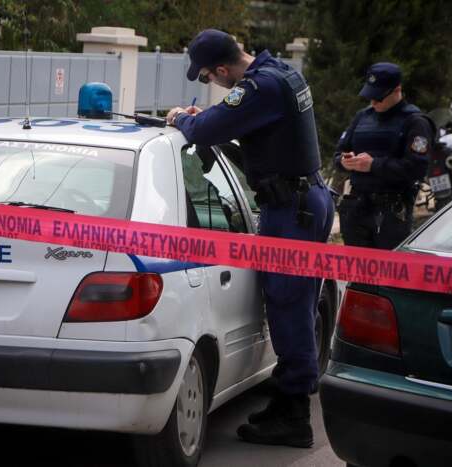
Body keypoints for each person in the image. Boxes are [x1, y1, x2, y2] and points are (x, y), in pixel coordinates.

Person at [166, 29, 334, 449]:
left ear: (223, 69)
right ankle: (287, 401)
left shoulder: (259, 88)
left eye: (208, 76)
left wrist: (182, 118)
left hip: (291, 210)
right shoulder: (280, 73)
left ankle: (294, 415)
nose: (211, 82)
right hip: (305, 200)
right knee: (297, 304)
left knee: (289, 307)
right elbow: (242, 122)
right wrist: (208, 117)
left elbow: (203, 131)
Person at [334, 62, 434, 249]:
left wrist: (373, 165)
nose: (373, 102)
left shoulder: (416, 122)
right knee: (356, 266)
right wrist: (345, 162)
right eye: (370, 96)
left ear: (397, 90)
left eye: (379, 97)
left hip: (391, 212)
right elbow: (338, 154)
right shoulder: (362, 117)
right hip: (357, 207)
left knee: (388, 266)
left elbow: (417, 168)